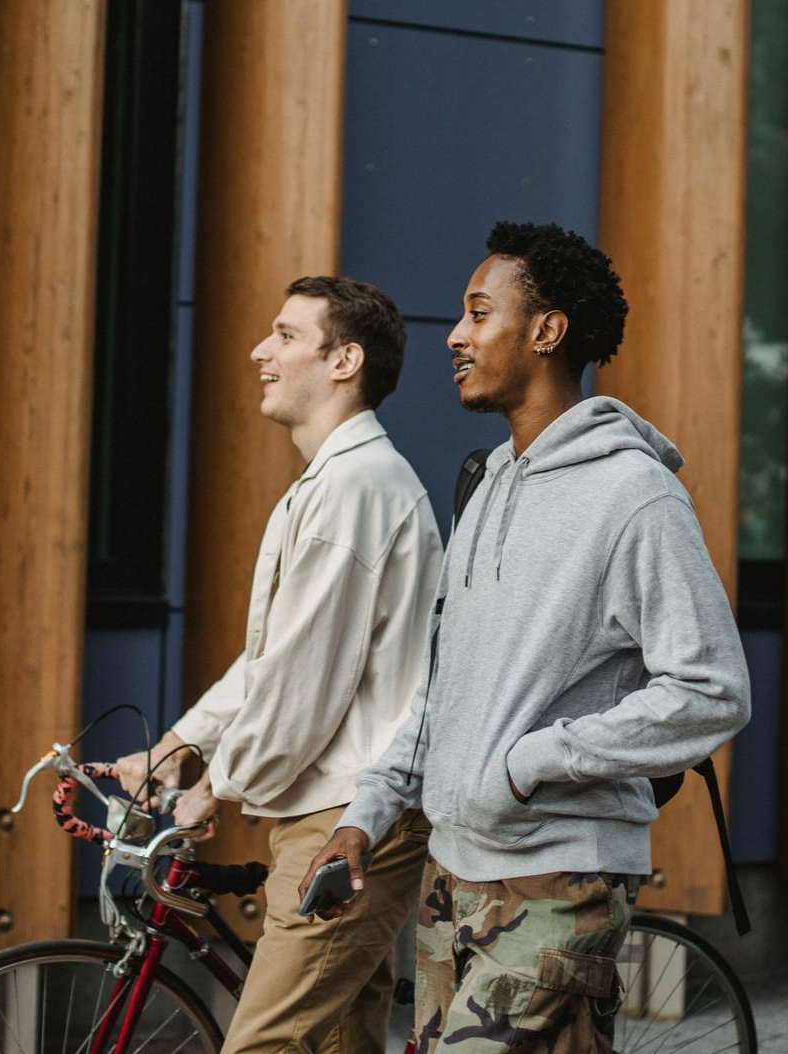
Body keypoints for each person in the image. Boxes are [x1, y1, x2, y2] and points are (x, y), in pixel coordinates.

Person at [301, 222, 752, 1053]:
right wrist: (365, 814)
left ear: (546, 331)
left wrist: (528, 764)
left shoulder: (634, 497)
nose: (458, 337)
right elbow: (447, 687)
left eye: (479, 314)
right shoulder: (484, 485)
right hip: (453, 873)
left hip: (558, 877)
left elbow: (712, 688)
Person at [117, 276, 442, 1054]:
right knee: (339, 1041)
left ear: (345, 360)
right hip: (329, 807)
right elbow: (275, 661)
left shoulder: (356, 486)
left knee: (260, 1045)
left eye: (286, 335)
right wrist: (177, 746)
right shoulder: (331, 484)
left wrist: (216, 786)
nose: (261, 351)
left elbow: (303, 682)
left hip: (351, 813)